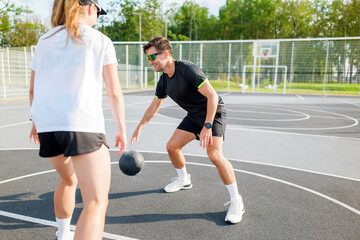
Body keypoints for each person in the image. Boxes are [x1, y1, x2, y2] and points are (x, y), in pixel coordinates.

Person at [29, 0, 127, 239]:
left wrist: (35, 121)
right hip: (82, 126)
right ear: (91, 8)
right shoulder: (100, 40)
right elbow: (114, 91)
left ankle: (63, 234)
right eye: (98, 13)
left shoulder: (44, 41)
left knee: (68, 179)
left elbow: (33, 90)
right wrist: (121, 128)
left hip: (47, 126)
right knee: (96, 201)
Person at [131, 36, 244, 224]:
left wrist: (207, 125)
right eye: (148, 59)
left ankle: (236, 201)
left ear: (165, 54)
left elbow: (212, 96)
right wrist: (139, 127)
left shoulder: (188, 70)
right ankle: (184, 180)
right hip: (194, 116)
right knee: (172, 147)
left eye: (152, 58)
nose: (150, 63)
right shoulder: (164, 81)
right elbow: (154, 106)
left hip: (213, 113)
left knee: (214, 155)